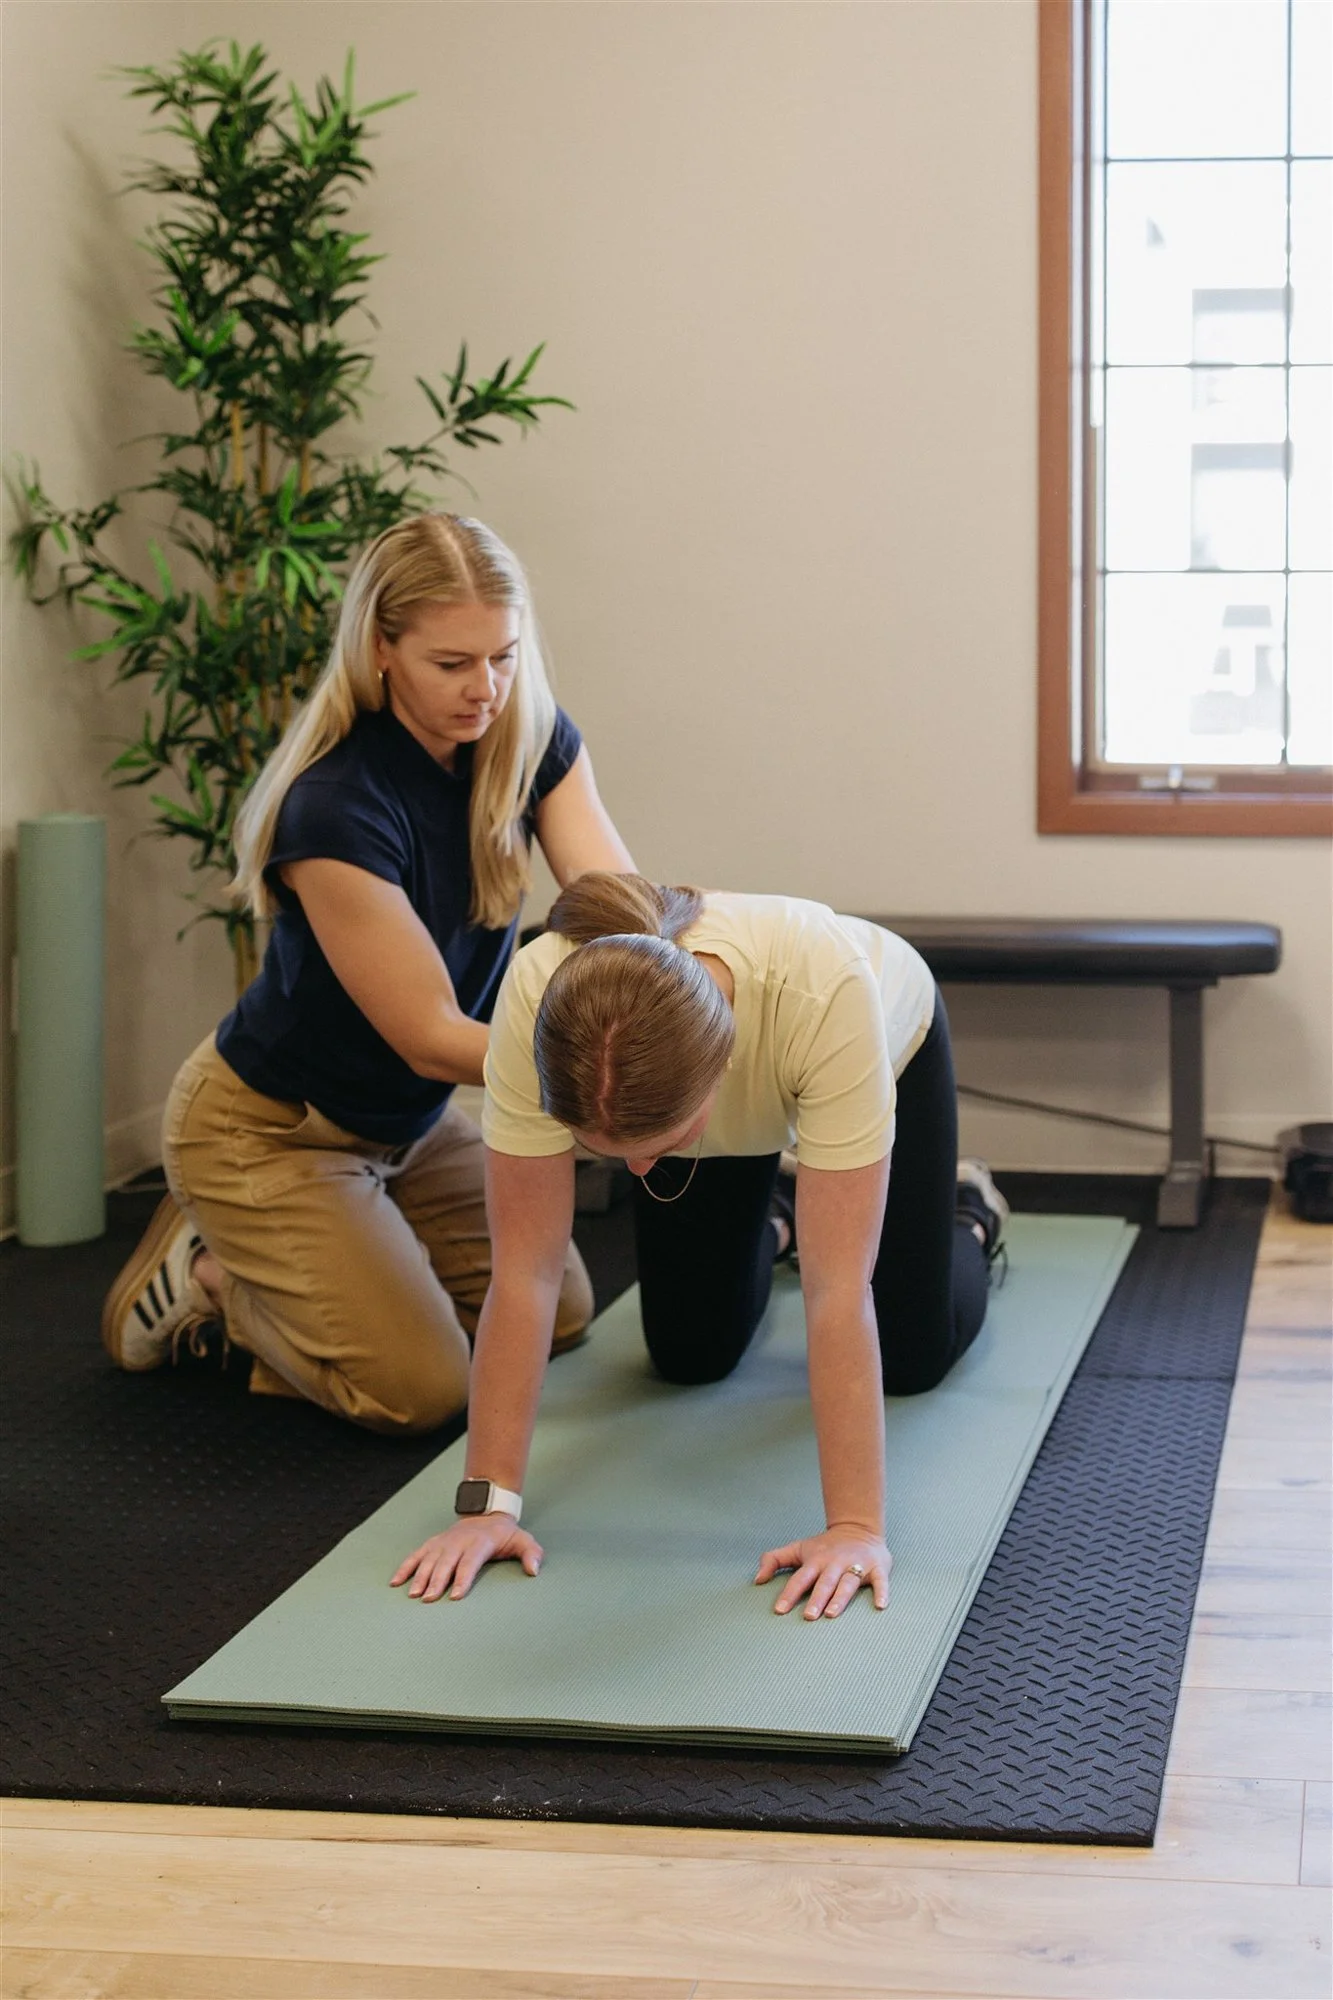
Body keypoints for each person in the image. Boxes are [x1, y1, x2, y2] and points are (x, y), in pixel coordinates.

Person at [100, 514, 635, 1433]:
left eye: (503, 657)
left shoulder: (530, 741)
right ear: (380, 649)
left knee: (559, 1315)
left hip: (410, 1128)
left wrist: (683, 994)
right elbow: (429, 1036)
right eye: (451, 663)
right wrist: (599, 1073)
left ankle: (338, 1260)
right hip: (273, 1130)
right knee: (423, 1392)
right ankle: (211, 1277)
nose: (485, 688)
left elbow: (616, 911)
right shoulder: (334, 805)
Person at [392, 872, 1009, 1616]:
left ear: (724, 1072)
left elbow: (836, 1292)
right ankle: (786, 1213)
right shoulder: (542, 1000)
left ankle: (967, 1211)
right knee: (689, 1356)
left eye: (660, 1146)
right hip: (694, 1087)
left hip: (882, 1041)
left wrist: (854, 1529)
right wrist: (486, 1508)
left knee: (911, 1359)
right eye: (611, 1154)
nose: (640, 1173)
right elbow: (524, 1272)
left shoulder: (828, 995)